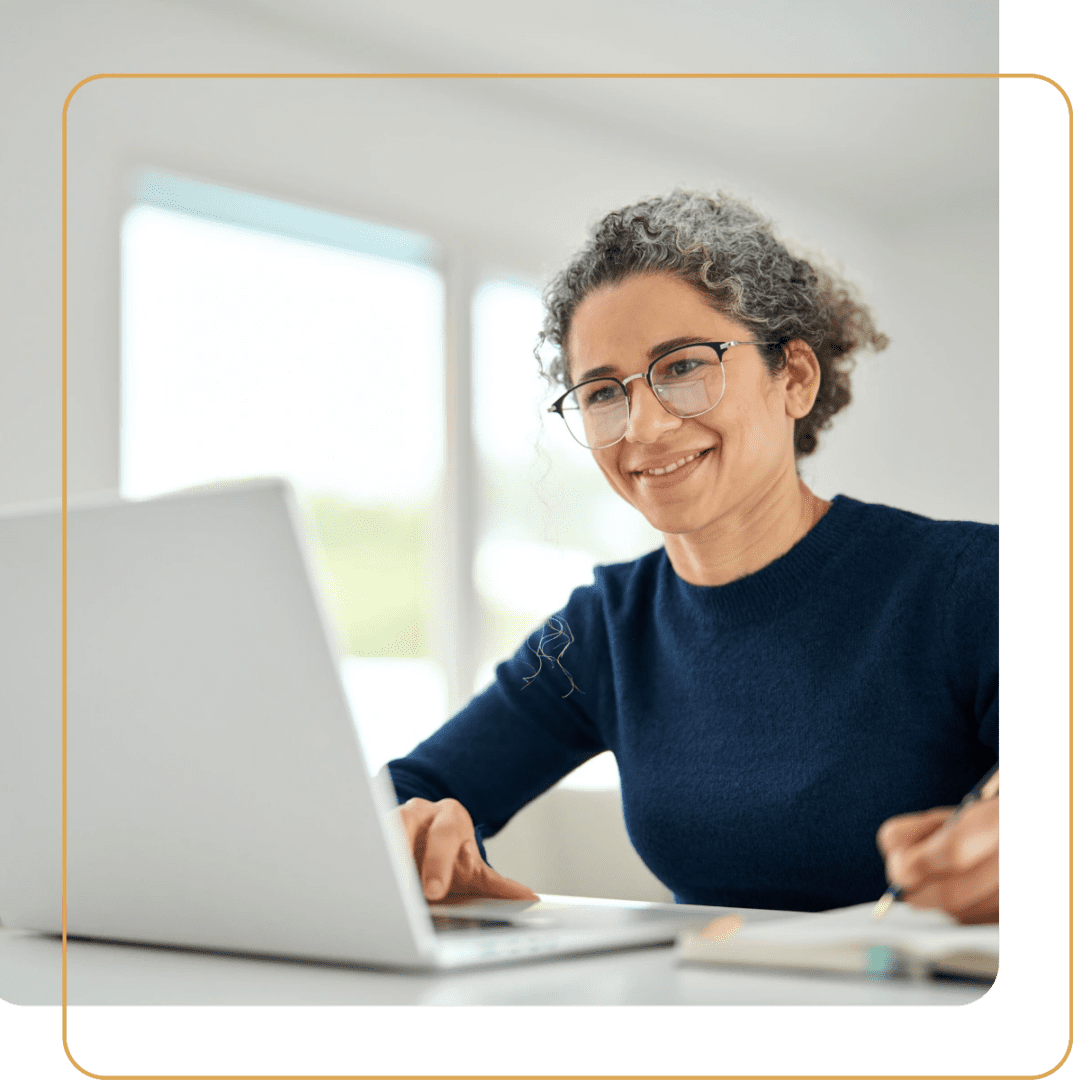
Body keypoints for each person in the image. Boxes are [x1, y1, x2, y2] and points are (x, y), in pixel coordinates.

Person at [389, 190, 999, 924]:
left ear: (794, 379)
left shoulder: (971, 581)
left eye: (681, 367)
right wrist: (419, 839)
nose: (642, 425)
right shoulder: (602, 630)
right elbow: (408, 789)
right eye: (602, 391)